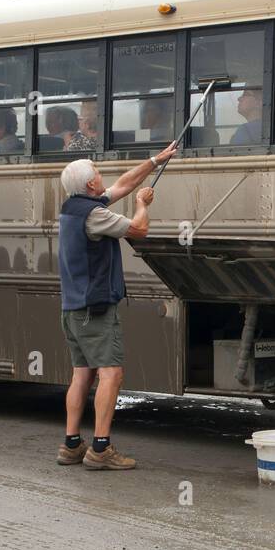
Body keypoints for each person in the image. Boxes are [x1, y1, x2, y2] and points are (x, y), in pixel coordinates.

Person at [55, 142, 177, 469]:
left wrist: (155, 160)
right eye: (96, 172)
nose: (101, 175)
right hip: (95, 309)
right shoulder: (95, 214)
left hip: (73, 309)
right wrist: (142, 205)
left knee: (82, 375)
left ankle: (70, 445)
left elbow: (123, 183)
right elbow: (139, 230)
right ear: (91, 184)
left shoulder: (73, 207)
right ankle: (100, 449)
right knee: (112, 374)